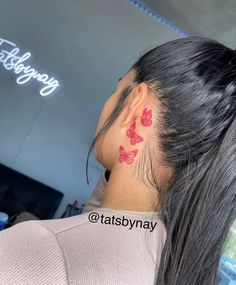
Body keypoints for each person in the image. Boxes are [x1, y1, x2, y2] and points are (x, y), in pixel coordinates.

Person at [0, 36, 235, 285]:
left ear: (135, 108)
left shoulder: (39, 251)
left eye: (117, 89)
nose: (108, 101)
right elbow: (104, 222)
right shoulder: (169, 259)